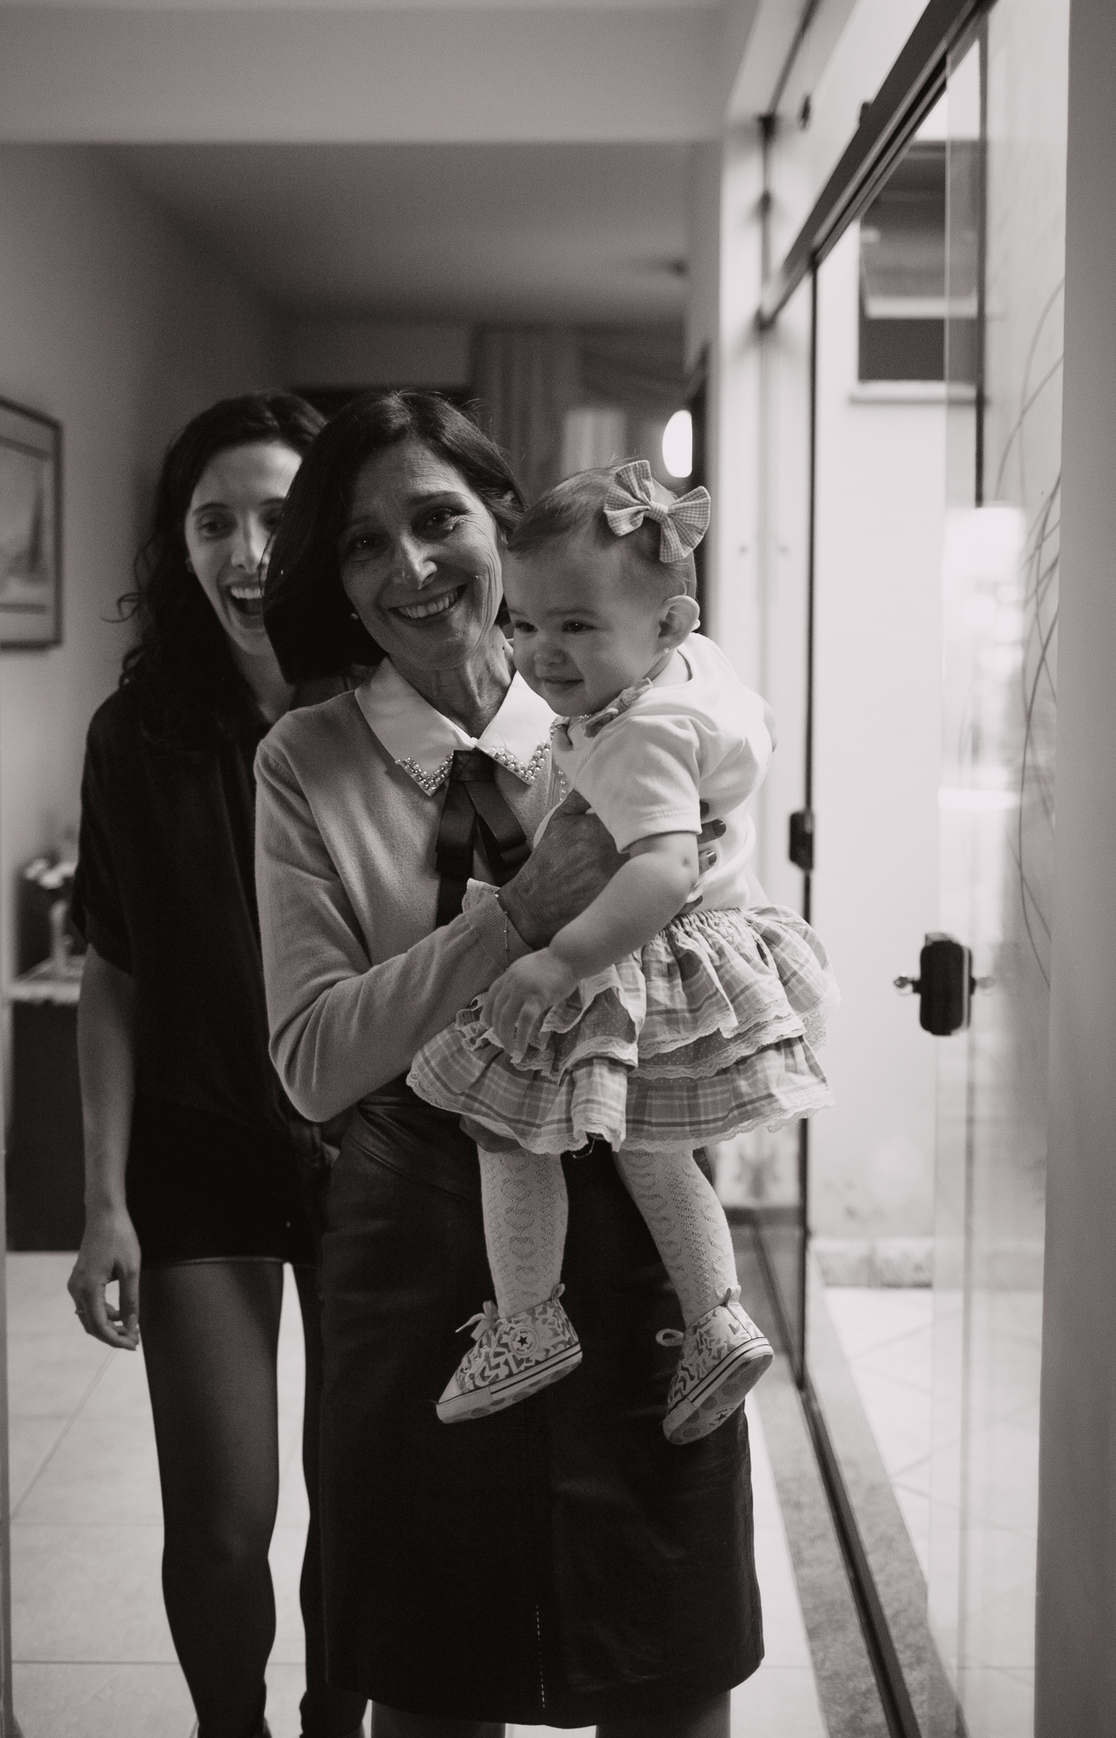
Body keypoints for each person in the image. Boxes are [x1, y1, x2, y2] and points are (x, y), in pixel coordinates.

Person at [255, 391, 763, 1738]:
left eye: (438, 520)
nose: (411, 568)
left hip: (641, 1242)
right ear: (336, 580)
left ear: (500, 520)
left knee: (669, 1675)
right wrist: (524, 915)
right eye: (364, 545)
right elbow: (314, 1061)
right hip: (420, 1260)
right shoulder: (304, 762)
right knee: (436, 1687)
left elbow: (711, 950)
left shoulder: (642, 714)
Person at [409, 459, 835, 1440]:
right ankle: (718, 1318)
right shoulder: (695, 668)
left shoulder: (641, 735)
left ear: (669, 624)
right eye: (522, 622)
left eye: (575, 626)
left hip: (642, 943)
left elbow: (663, 871)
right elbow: (753, 733)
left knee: (504, 1124)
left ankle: (528, 1321)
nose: (540, 653)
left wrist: (557, 961)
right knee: (654, 1145)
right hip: (719, 935)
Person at [66, 393, 367, 1738]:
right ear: (177, 544)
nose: (247, 553)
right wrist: (102, 1203)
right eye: (212, 523)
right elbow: (113, 969)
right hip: (199, 1152)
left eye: (278, 518)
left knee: (361, 1509)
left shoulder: (392, 715)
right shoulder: (136, 735)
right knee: (224, 1522)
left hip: (379, 1148)